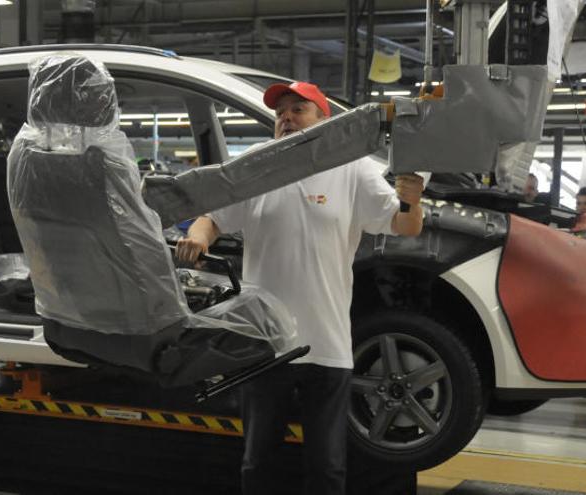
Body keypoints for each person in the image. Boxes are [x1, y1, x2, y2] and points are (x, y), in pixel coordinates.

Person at [175, 81, 425, 495]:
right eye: (279, 113)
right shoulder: (254, 166)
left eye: (298, 109)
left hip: (326, 343)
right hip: (263, 344)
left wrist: (411, 199)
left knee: (326, 467)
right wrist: (200, 238)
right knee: (258, 464)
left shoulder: (352, 168)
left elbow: (404, 226)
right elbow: (214, 216)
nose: (285, 118)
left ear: (323, 120)